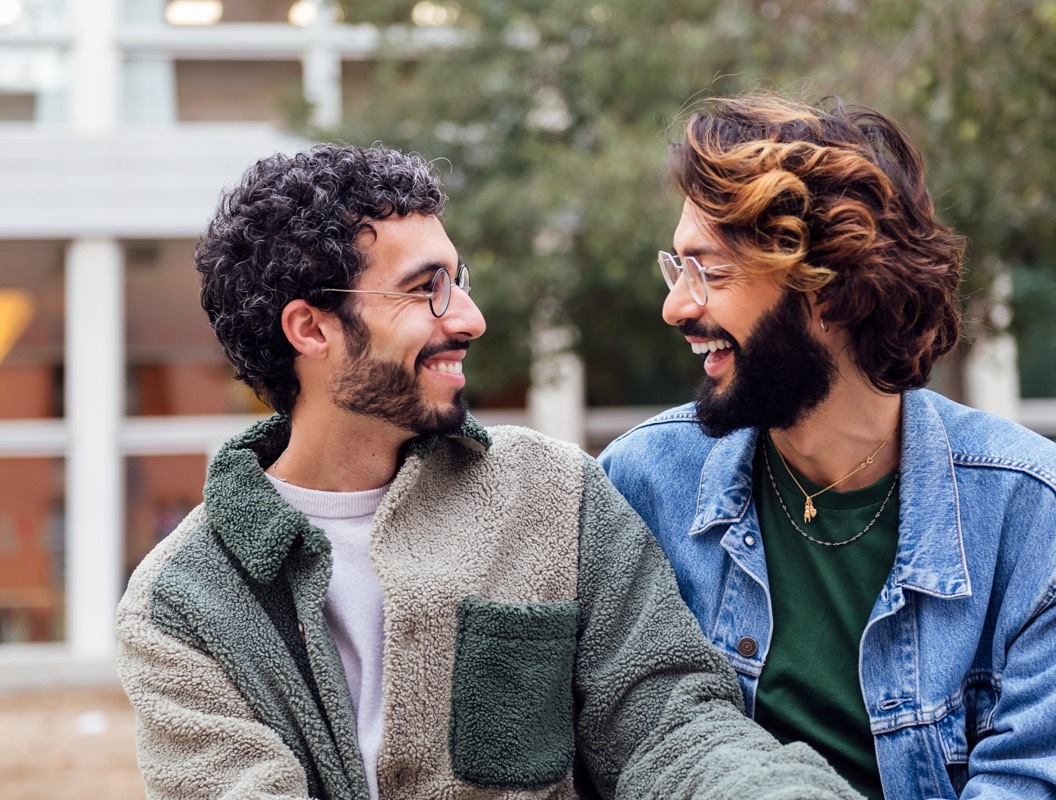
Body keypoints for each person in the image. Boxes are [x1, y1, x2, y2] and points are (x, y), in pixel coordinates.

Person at [115, 143, 862, 800]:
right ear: (311, 328)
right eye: (425, 288)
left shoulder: (554, 493)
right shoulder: (181, 605)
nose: (469, 318)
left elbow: (670, 728)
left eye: (460, 280)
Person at [599, 92, 1056, 799]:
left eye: (711, 272)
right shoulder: (640, 486)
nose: (677, 307)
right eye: (676, 267)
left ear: (833, 289)